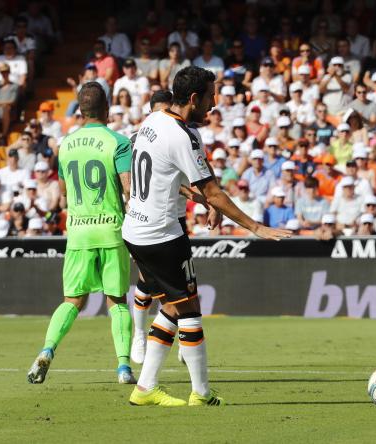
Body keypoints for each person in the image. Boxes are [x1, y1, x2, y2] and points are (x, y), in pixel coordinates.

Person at [123, 67, 289, 407]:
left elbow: (163, 174)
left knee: (170, 305)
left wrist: (200, 197)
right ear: (194, 98)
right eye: (211, 97)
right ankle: (201, 393)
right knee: (190, 310)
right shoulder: (183, 136)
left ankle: (145, 388)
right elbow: (214, 192)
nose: (214, 104)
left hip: (135, 230)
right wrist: (255, 227)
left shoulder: (152, 122)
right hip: (162, 235)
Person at [27, 82, 135, 385]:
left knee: (72, 300)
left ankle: (47, 350)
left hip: (78, 232)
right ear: (107, 109)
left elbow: (62, 193)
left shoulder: (65, 145)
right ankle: (124, 367)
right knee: (117, 301)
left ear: (80, 110)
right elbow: (129, 188)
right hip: (111, 230)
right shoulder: (119, 142)